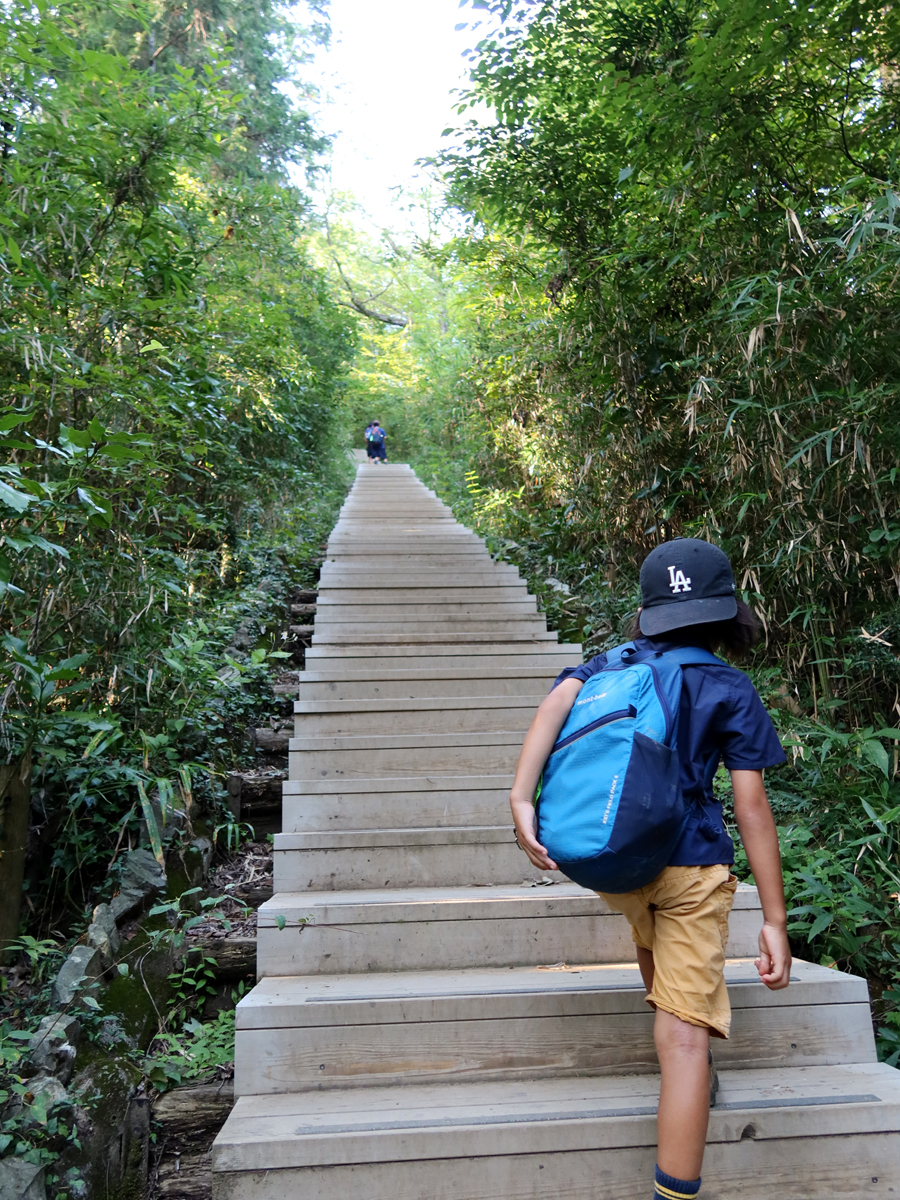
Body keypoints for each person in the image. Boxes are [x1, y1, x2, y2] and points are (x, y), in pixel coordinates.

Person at [509, 537, 791, 1200]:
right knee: (685, 1042)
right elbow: (751, 806)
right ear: (727, 615)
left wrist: (521, 798)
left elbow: (555, 706)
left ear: (648, 612)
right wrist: (774, 920)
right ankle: (675, 1184)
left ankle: (676, 1029)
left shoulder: (609, 664)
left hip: (619, 862)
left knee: (653, 943)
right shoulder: (727, 685)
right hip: (691, 868)